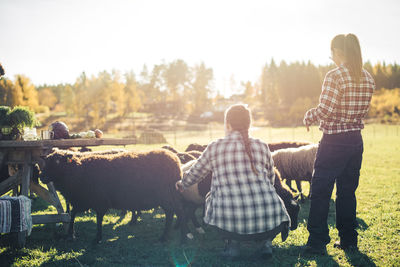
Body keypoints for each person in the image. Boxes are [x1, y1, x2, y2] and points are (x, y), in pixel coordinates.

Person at [176, 104, 290, 259]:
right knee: (268, 196)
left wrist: (182, 184)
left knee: (210, 196)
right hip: (270, 218)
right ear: (249, 124)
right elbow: (270, 179)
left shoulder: (215, 147)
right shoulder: (262, 146)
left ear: (227, 124)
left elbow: (196, 173)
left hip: (230, 218)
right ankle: (265, 243)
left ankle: (232, 245)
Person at [302, 33, 375, 254]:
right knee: (347, 192)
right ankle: (349, 240)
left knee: (320, 191)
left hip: (334, 141)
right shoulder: (368, 78)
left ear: (338, 52)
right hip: (355, 141)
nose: (330, 56)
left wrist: (309, 116)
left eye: (331, 52)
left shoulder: (335, 76)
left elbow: (326, 109)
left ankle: (317, 242)